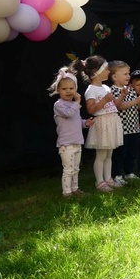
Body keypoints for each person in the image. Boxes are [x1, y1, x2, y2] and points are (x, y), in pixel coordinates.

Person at [72, 55, 124, 192]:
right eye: (106, 69)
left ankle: (108, 179)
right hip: (102, 123)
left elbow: (115, 105)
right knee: (101, 155)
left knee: (109, 155)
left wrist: (122, 96)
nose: (109, 72)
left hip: (111, 121)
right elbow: (90, 109)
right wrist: (104, 101)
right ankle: (100, 182)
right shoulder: (91, 90)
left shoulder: (106, 88)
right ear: (97, 72)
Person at [48, 67, 94, 197]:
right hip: (66, 144)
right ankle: (67, 193)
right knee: (68, 169)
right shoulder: (59, 105)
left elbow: (76, 121)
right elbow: (69, 114)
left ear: (76, 89)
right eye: (64, 89)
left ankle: (75, 189)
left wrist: (86, 123)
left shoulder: (74, 106)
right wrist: (78, 102)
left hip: (77, 141)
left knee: (75, 168)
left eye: (71, 88)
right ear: (58, 90)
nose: (68, 91)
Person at [109, 61, 140, 185]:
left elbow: (137, 109)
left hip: (134, 127)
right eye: (125, 74)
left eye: (128, 73)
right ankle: (117, 175)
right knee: (120, 153)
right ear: (115, 77)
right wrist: (136, 101)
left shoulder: (130, 90)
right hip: (122, 129)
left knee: (132, 152)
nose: (128, 76)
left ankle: (130, 172)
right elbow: (118, 106)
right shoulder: (113, 91)